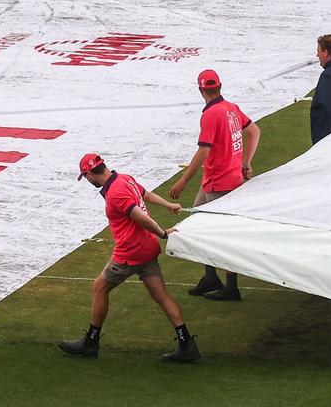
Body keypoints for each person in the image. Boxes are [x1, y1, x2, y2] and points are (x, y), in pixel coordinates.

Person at [59, 153, 200, 362]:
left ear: (89, 173)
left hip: (131, 252)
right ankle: (186, 343)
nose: (87, 180)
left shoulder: (115, 193)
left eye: (85, 176)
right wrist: (168, 205)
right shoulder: (124, 178)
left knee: (100, 287)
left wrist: (162, 233)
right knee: (160, 295)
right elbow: (147, 195)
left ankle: (90, 342)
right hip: (147, 247)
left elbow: (140, 217)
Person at [168, 69, 261, 301]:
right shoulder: (231, 108)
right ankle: (211, 276)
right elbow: (254, 131)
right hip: (222, 179)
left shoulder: (211, 114)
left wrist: (182, 181)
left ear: (201, 90)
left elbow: (204, 150)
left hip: (219, 183)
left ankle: (231, 286)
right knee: (196, 227)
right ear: (220, 86)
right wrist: (246, 161)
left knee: (217, 234)